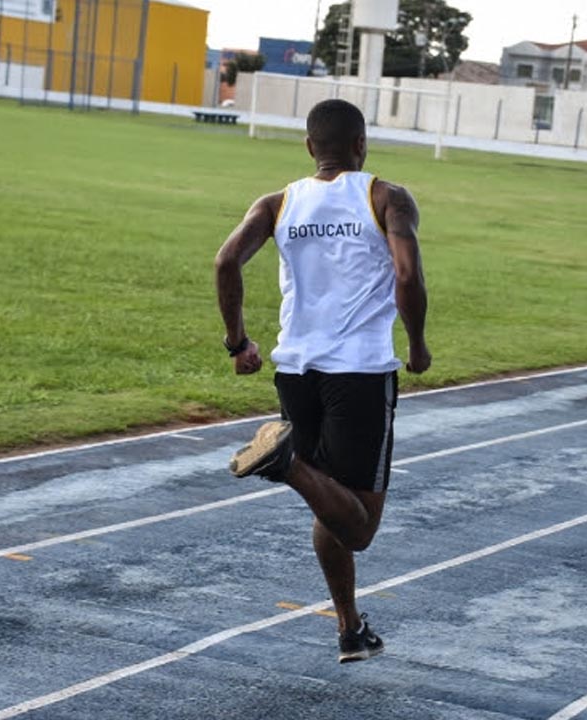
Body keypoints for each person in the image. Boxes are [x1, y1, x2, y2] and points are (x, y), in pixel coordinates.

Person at [215, 99, 431, 664]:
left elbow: (225, 262)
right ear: (362, 145)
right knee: (358, 528)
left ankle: (349, 626)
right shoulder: (386, 196)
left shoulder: (278, 202)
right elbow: (406, 273)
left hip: (297, 374)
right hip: (359, 372)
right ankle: (282, 463)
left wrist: (239, 344)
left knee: (328, 507)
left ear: (310, 147)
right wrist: (417, 344)